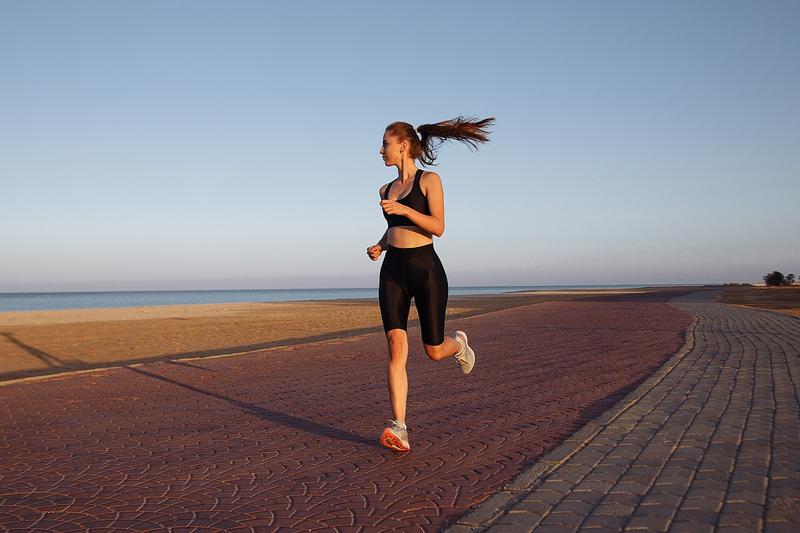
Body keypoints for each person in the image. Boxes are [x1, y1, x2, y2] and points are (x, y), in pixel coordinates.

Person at [366, 116, 495, 452]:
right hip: (393, 270)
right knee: (396, 348)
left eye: (385, 143)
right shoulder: (384, 190)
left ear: (403, 145)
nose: (381, 150)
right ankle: (400, 427)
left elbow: (438, 226)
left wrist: (404, 211)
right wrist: (381, 244)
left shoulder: (430, 181)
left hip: (426, 270)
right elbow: (395, 225)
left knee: (434, 351)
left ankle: (459, 344)